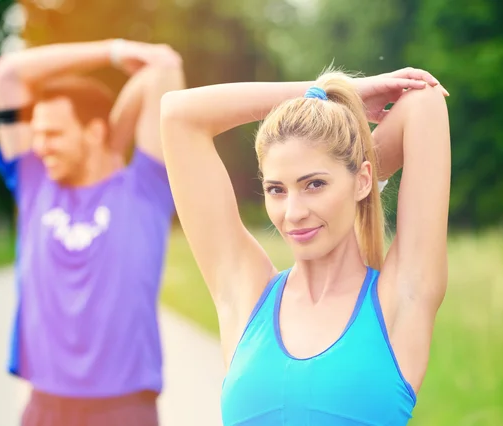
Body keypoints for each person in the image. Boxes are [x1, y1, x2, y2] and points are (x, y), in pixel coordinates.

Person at [159, 67, 450, 425]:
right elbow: (177, 115)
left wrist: (341, 116)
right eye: (276, 190)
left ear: (362, 180)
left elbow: (424, 102)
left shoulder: (401, 299)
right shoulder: (247, 295)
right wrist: (330, 92)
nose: (293, 213)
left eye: (314, 185)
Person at [0, 38, 184, 425]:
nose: (40, 146)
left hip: (125, 408)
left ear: (94, 132)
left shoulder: (144, 188)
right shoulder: (33, 182)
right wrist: (112, 51)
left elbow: (164, 66)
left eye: (54, 134)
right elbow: (7, 73)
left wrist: (116, 137)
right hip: (43, 406)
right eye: (38, 133)